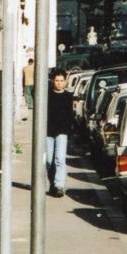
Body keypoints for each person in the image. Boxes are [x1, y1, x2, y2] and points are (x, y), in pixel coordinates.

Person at [44, 69, 72, 197]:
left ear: (65, 81)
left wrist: (68, 132)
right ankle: (52, 184)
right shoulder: (47, 95)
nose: (59, 83)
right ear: (52, 81)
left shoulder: (68, 96)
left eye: (62, 81)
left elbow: (69, 115)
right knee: (49, 161)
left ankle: (59, 185)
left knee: (60, 159)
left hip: (62, 132)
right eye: (57, 80)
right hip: (48, 132)